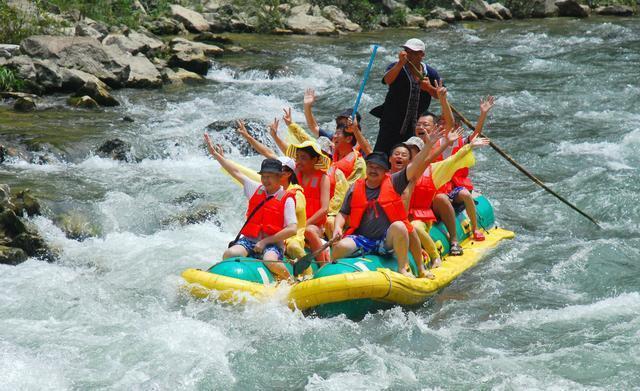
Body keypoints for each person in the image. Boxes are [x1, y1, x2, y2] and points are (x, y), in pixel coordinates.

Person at [330, 128, 463, 278]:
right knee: (340, 247)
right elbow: (343, 212)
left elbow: (419, 163)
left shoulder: (395, 181)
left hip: (387, 240)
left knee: (402, 226)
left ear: (385, 171)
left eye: (378, 168)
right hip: (363, 239)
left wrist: (429, 145)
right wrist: (338, 228)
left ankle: (404, 268)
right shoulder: (355, 187)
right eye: (371, 167)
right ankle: (333, 273)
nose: (374, 170)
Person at [204, 134, 296, 280]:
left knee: (270, 260)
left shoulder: (287, 199)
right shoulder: (255, 189)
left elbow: (292, 229)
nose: (265, 180)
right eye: (263, 176)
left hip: (271, 243)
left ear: (280, 177)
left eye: (270, 176)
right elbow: (235, 172)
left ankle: (291, 280)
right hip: (249, 240)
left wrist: (265, 241)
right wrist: (216, 156)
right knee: (230, 254)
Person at [432, 96, 495, 241]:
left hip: (455, 187)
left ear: (457, 129)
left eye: (447, 124)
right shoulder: (433, 143)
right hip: (438, 188)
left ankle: (475, 229)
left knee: (466, 194)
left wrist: (483, 114)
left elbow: (474, 136)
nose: (444, 127)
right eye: (440, 123)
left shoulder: (459, 143)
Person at [370, 38, 440, 155]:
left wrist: (428, 88)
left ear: (422, 54)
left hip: (416, 125)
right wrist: (400, 64)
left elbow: (440, 95)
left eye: (413, 52)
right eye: (407, 51)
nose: (409, 55)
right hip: (391, 121)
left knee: (410, 155)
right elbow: (387, 80)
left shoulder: (431, 73)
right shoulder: (396, 67)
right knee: (382, 153)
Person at [285, 140, 332, 264]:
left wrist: (304, 224)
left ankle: (322, 265)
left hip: (314, 225)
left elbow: (324, 209)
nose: (298, 161)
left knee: (309, 231)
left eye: (303, 158)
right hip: (292, 222)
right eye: (297, 157)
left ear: (315, 160)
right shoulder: (293, 175)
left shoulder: (323, 178)